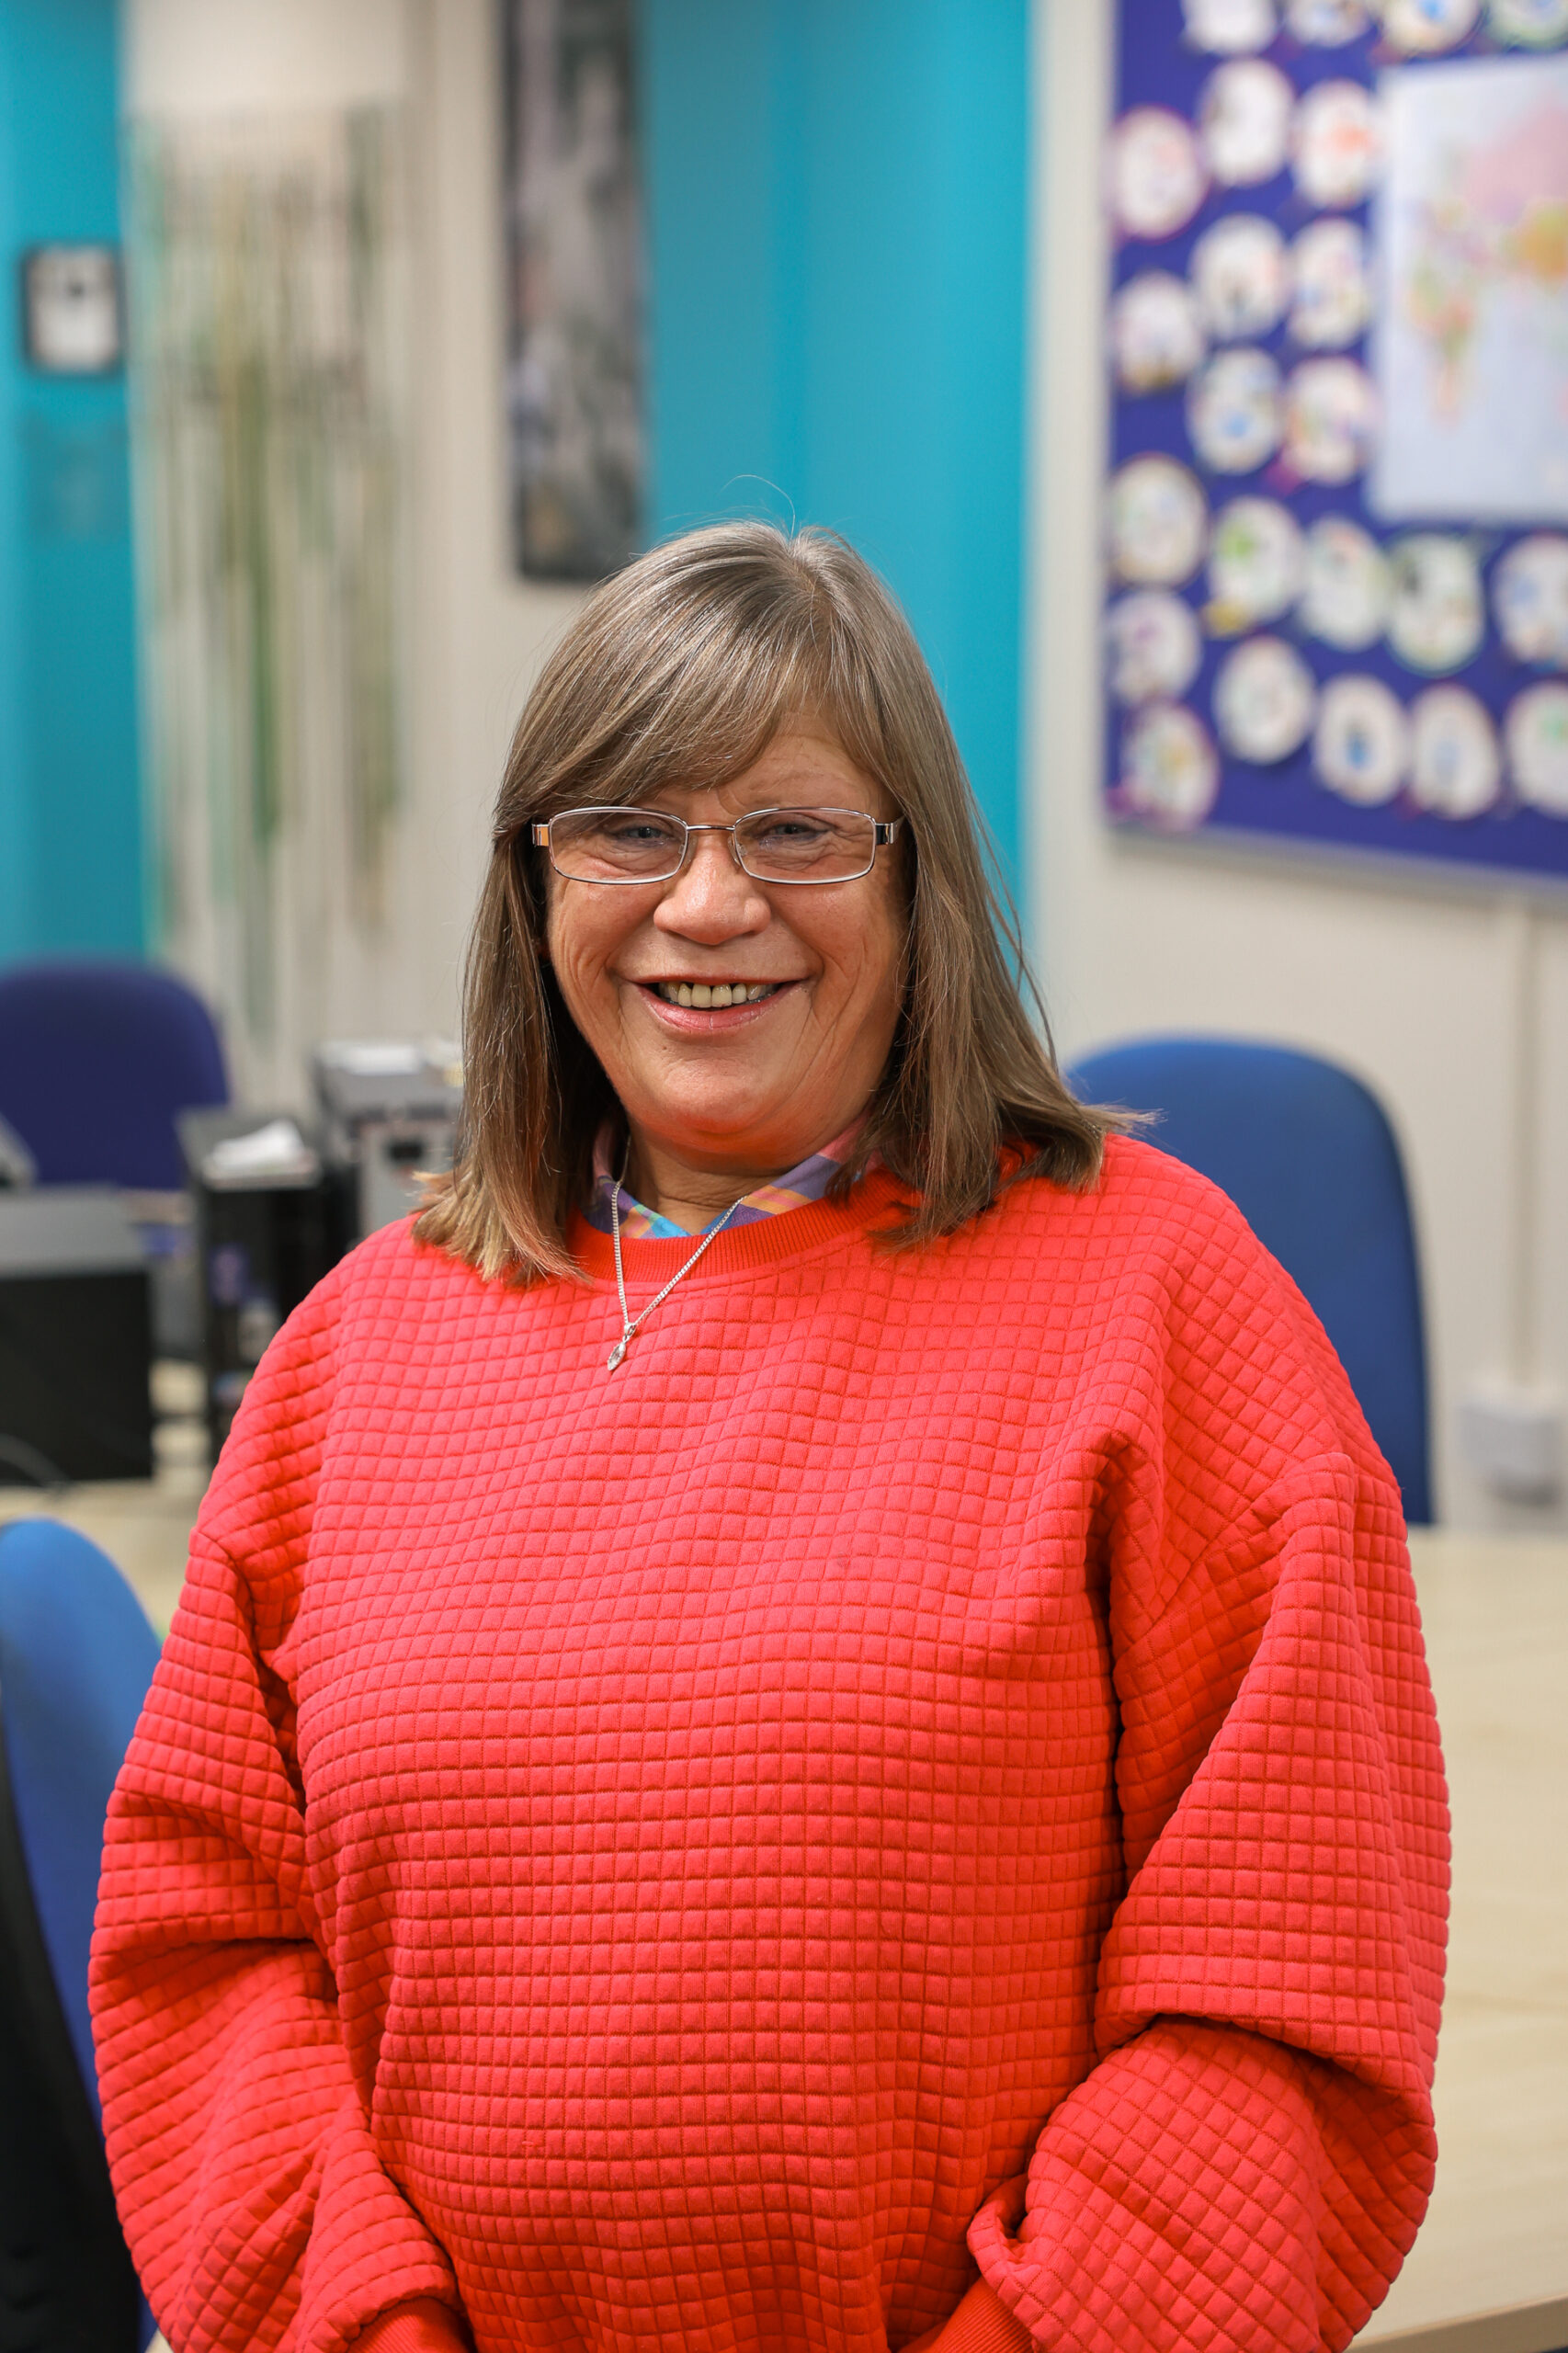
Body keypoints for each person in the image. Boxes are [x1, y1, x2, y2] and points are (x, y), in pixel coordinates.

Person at [91, 524, 1447, 2353]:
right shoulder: (357, 1351)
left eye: (794, 831)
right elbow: (207, 1949)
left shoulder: (1164, 1303)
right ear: (534, 880)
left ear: (918, 883)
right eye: (627, 827)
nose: (705, 903)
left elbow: (1280, 2002)